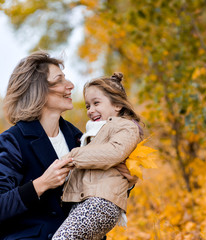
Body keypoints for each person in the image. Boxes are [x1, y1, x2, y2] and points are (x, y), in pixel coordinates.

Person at [0, 51, 137, 240]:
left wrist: (129, 180)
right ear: (38, 90)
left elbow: (97, 191)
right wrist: (41, 184)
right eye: (59, 80)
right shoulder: (13, 141)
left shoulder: (78, 138)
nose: (71, 85)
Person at [52, 72, 142, 240]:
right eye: (87, 106)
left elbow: (113, 153)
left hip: (101, 202)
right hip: (86, 201)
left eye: (96, 103)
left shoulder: (126, 127)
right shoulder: (91, 134)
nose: (91, 110)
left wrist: (72, 157)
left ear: (117, 105)